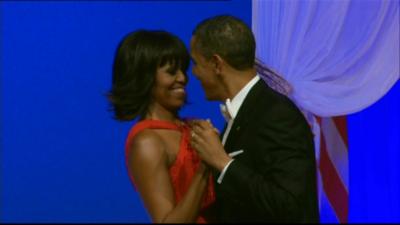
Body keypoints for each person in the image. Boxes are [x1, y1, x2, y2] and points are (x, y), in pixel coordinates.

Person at [189, 15, 320, 223]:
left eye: (196, 63)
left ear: (216, 64)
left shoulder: (278, 115)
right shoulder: (247, 111)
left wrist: (223, 162)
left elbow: (291, 206)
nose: (194, 73)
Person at [107, 30, 215, 223]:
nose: (182, 78)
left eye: (183, 69)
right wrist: (205, 166)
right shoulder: (147, 142)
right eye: (172, 72)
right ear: (144, 78)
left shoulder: (194, 127)